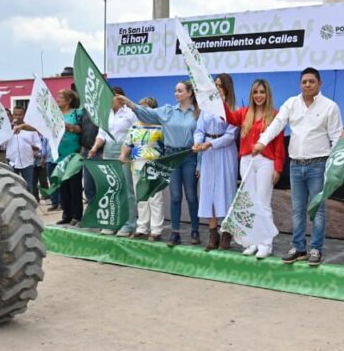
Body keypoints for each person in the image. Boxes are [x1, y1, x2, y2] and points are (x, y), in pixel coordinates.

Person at [254, 67, 343, 266]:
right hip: (295, 165)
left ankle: (316, 249)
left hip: (318, 164)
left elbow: (336, 137)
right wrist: (262, 142)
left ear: (319, 84)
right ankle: (299, 248)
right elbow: (277, 124)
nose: (307, 85)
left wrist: (335, 165)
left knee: (317, 209)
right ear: (300, 84)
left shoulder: (330, 106)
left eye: (312, 81)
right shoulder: (291, 104)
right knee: (297, 209)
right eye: (304, 82)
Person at [120, 81, 201, 247]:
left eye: (179, 91)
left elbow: (203, 135)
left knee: (192, 196)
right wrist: (130, 104)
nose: (176, 94)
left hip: (189, 155)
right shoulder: (168, 111)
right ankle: (175, 232)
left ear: (189, 93)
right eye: (175, 91)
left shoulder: (198, 113)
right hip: (171, 156)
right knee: (176, 196)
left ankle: (195, 230)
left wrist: (199, 162)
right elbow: (147, 114)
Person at [223, 78, 285, 259]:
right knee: (249, 203)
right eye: (256, 92)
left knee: (263, 203)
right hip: (246, 161)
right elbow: (229, 118)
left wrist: (278, 168)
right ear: (251, 94)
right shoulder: (244, 113)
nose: (259, 95)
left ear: (268, 94)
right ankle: (252, 242)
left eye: (262, 92)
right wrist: (222, 101)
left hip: (266, 161)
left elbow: (280, 144)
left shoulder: (275, 115)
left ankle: (266, 244)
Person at [193, 74, 239, 251]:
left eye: (220, 85)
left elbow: (230, 135)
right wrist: (198, 142)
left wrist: (210, 144)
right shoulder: (206, 108)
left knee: (225, 190)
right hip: (207, 154)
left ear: (227, 87)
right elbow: (199, 129)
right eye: (215, 85)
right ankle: (213, 233)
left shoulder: (233, 108)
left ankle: (226, 232)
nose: (217, 88)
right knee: (209, 192)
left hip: (224, 153)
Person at [88, 86, 137, 237]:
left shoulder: (129, 113)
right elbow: (101, 133)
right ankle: (114, 222)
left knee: (126, 189)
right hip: (108, 150)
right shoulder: (105, 113)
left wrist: (126, 151)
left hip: (124, 151)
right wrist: (95, 148)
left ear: (119, 97)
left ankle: (129, 224)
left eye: (110, 96)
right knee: (112, 188)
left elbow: (136, 132)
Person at [121, 97, 165, 241]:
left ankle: (156, 230)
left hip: (154, 165)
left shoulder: (160, 126)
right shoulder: (134, 126)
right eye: (139, 108)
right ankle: (142, 227)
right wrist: (123, 155)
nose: (141, 111)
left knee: (154, 197)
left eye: (144, 108)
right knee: (141, 196)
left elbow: (167, 145)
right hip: (137, 164)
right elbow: (127, 143)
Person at [55, 89, 84, 226]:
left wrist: (70, 127)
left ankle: (77, 216)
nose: (57, 99)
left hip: (73, 154)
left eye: (60, 97)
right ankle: (66, 214)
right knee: (63, 187)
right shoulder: (55, 114)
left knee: (74, 187)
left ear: (69, 100)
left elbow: (81, 129)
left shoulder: (77, 113)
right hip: (59, 155)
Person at [5, 105, 41, 195]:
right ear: (13, 115)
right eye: (15, 115)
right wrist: (9, 128)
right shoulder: (7, 128)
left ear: (24, 115)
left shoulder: (30, 129)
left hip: (27, 161)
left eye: (20, 115)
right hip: (12, 162)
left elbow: (38, 144)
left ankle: (30, 206)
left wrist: (35, 149)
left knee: (29, 186)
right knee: (12, 187)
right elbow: (1, 143)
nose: (17, 117)